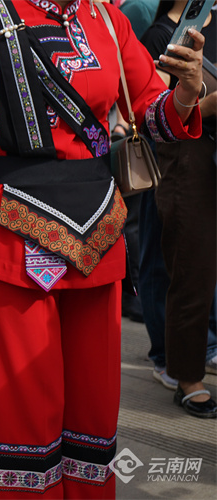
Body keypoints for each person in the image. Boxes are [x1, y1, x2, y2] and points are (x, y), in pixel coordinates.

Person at [0, 0, 203, 497]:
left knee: (93, 405)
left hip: (97, 231)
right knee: (18, 404)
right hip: (12, 232)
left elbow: (152, 114)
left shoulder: (108, 20)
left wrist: (185, 92)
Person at [139, 0, 216, 418]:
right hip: (189, 160)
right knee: (191, 270)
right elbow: (156, 113)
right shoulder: (171, 32)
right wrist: (207, 103)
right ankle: (187, 375)